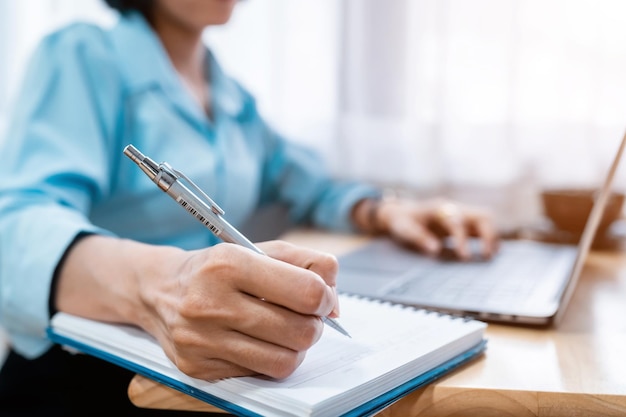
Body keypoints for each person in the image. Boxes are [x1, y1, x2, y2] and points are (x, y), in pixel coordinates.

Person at [0, 0, 498, 414]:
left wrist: (383, 210)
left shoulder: (231, 96)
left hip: (208, 370)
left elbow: (307, 183)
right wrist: (160, 287)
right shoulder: (82, 55)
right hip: (84, 376)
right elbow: (15, 226)